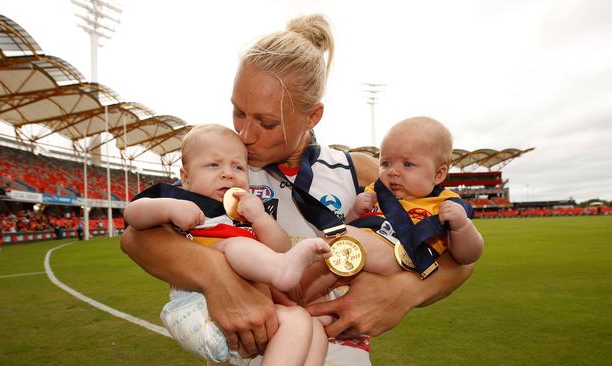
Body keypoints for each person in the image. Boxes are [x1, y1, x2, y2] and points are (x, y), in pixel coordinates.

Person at [121, 14, 473, 365]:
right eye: (238, 111)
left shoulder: (360, 171)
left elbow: (459, 258)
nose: (245, 133)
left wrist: (407, 291)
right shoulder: (224, 166)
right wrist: (215, 277)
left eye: (266, 122)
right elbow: (136, 238)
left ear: (312, 116)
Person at [124, 124, 330, 366]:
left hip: (251, 315)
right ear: (186, 177)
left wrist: (261, 218)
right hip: (198, 310)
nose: (228, 173)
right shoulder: (181, 199)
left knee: (311, 328)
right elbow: (132, 215)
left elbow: (281, 249)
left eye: (238, 167)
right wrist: (168, 207)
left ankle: (282, 272)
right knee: (235, 247)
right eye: (214, 165)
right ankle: (281, 271)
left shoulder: (243, 213)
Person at [293, 117, 484, 304]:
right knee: (323, 300)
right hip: (360, 264)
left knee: (337, 241)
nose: (393, 171)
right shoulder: (376, 192)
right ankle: (307, 306)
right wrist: (356, 211)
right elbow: (351, 224)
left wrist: (461, 226)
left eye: (407, 164)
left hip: (399, 257)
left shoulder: (446, 204)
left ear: (438, 173)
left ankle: (294, 293)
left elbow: (468, 256)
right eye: (385, 163)